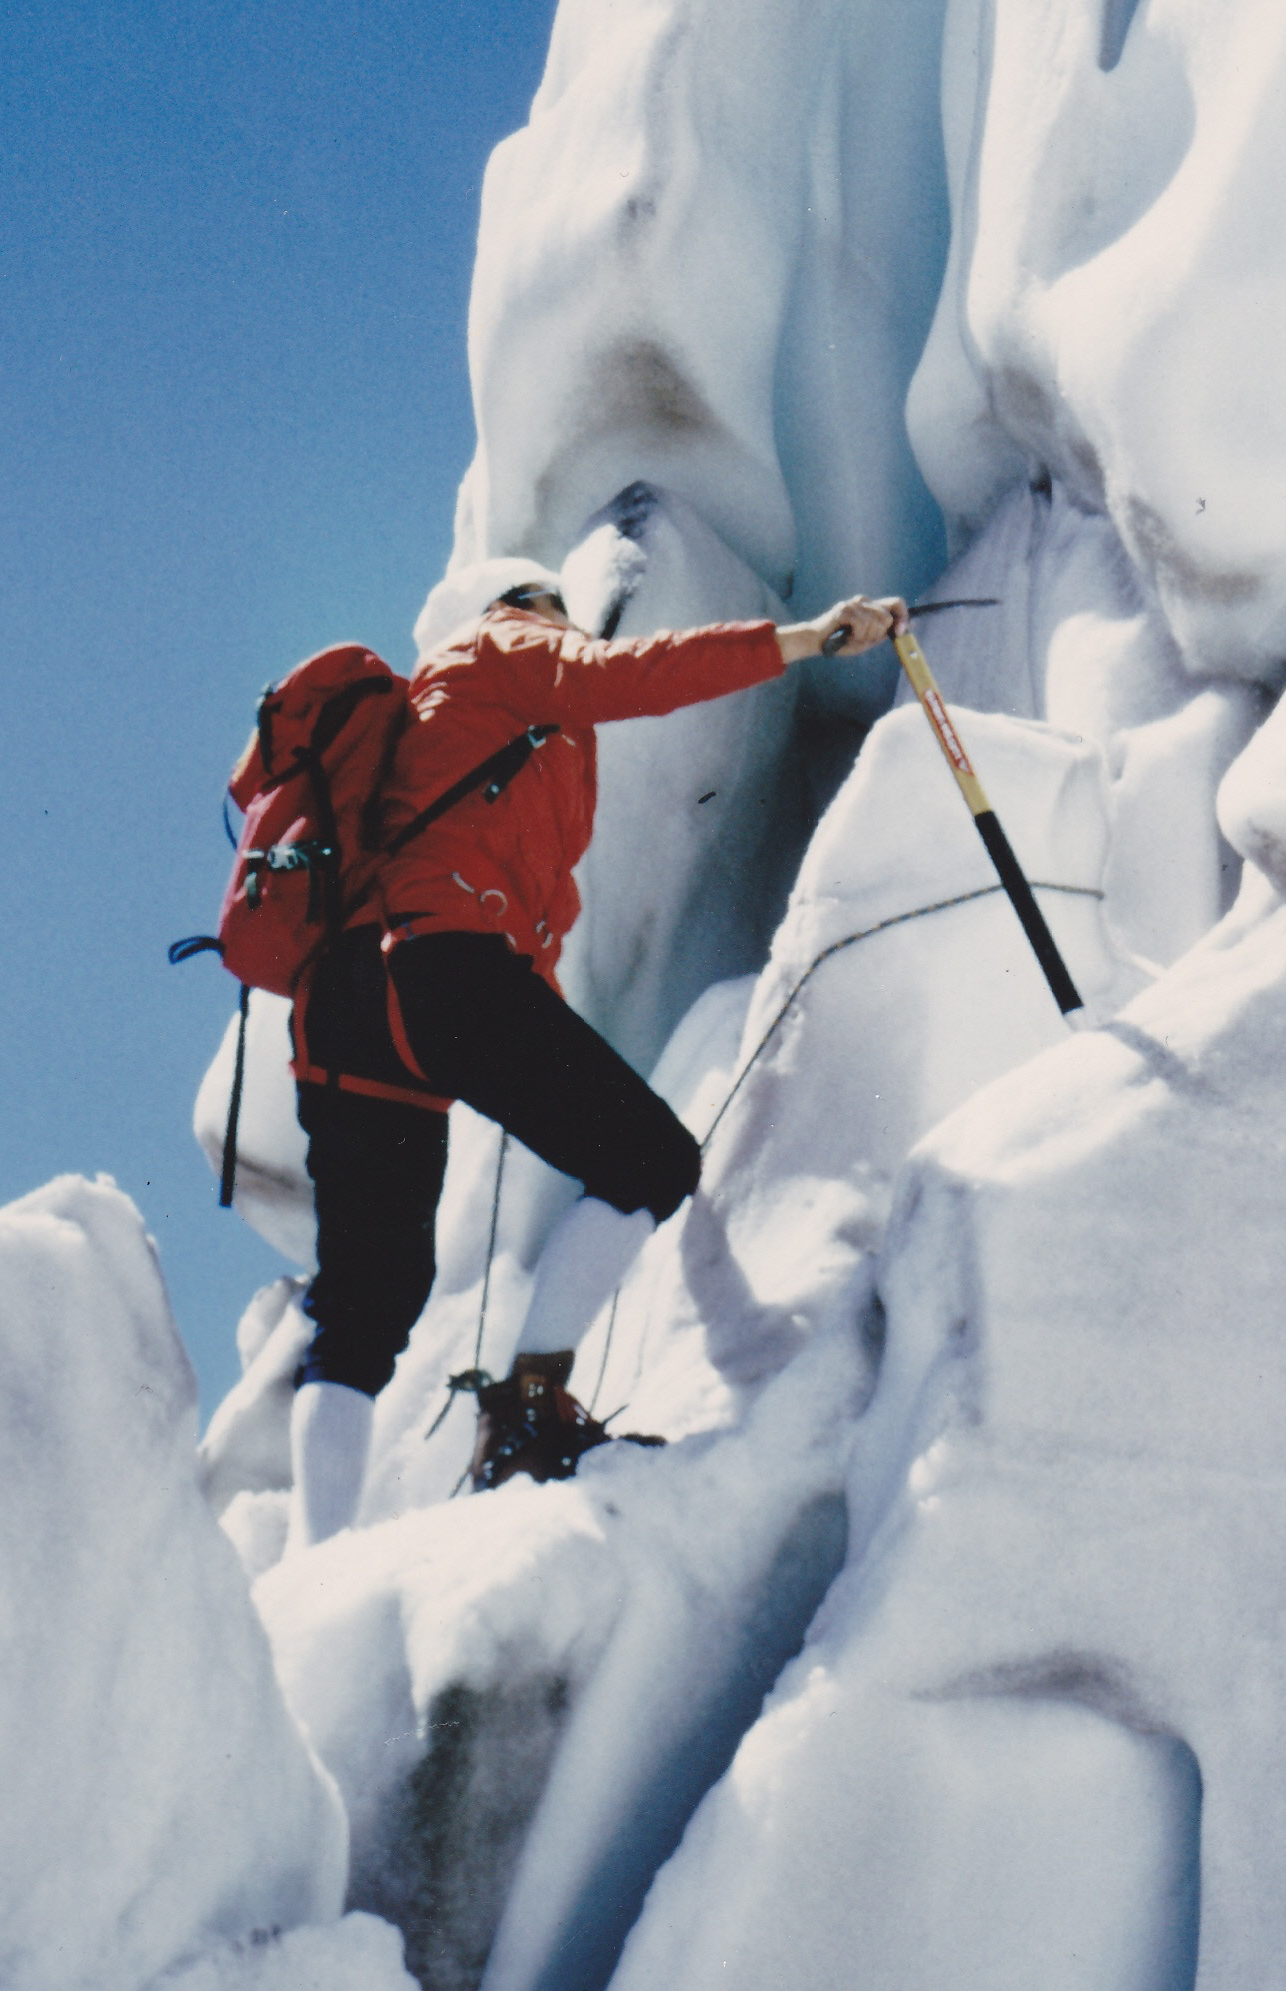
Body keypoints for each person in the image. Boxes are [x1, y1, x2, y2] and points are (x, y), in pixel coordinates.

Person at [286, 555, 907, 1535]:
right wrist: (803, 637)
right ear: (532, 602)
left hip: (347, 1004)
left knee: (363, 1309)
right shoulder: (510, 641)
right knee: (646, 1157)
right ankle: (530, 1406)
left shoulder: (439, 708)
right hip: (443, 967)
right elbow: (638, 673)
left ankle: (309, 1565)